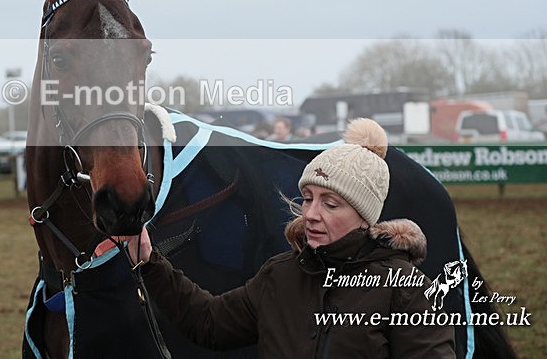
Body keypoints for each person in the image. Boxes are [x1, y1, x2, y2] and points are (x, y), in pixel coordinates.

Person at [124, 118, 455, 358]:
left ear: (363, 215)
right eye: (308, 198)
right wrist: (150, 261)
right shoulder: (280, 275)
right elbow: (209, 322)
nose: (310, 213)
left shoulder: (408, 290)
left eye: (330, 203)